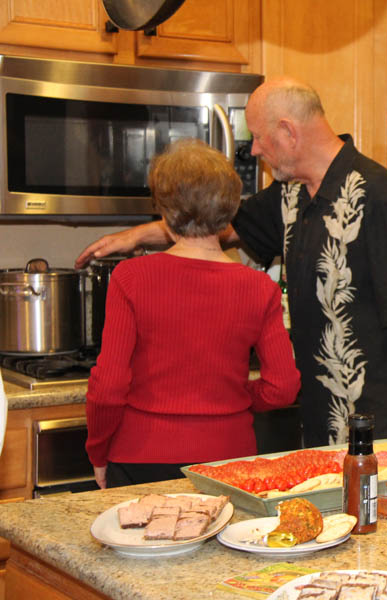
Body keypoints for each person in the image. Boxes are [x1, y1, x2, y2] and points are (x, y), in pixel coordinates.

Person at [76, 78, 387, 450]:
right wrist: (137, 236)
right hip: (320, 420)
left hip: (378, 425)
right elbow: (207, 221)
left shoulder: (376, 195)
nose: (253, 150)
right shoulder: (291, 194)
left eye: (257, 136)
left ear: (287, 131)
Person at [85, 139, 301, 488]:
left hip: (141, 455)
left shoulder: (130, 278)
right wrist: (232, 399)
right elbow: (283, 388)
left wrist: (97, 451)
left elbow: (108, 387)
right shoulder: (260, 288)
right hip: (228, 458)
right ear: (230, 212)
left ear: (165, 212)